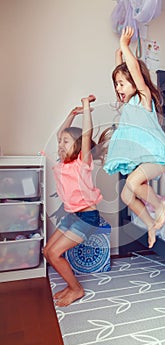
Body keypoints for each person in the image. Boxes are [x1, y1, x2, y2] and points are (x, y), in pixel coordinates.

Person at [103, 26, 165, 249]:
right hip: (146, 160)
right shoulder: (127, 105)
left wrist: (126, 47)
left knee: (133, 181)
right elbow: (123, 70)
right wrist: (118, 55)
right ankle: (150, 224)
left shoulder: (144, 98)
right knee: (127, 195)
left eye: (122, 84)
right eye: (116, 84)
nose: (118, 88)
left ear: (136, 84)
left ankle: (160, 205)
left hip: (158, 157)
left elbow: (133, 70)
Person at [43, 95, 103, 307]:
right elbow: (60, 133)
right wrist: (71, 114)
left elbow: (86, 135)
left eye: (65, 142)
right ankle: (71, 286)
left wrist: (86, 107)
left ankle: (76, 289)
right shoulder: (64, 163)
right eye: (60, 142)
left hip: (87, 217)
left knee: (55, 253)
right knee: (47, 252)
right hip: (72, 215)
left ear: (77, 146)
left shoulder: (82, 161)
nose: (60, 144)